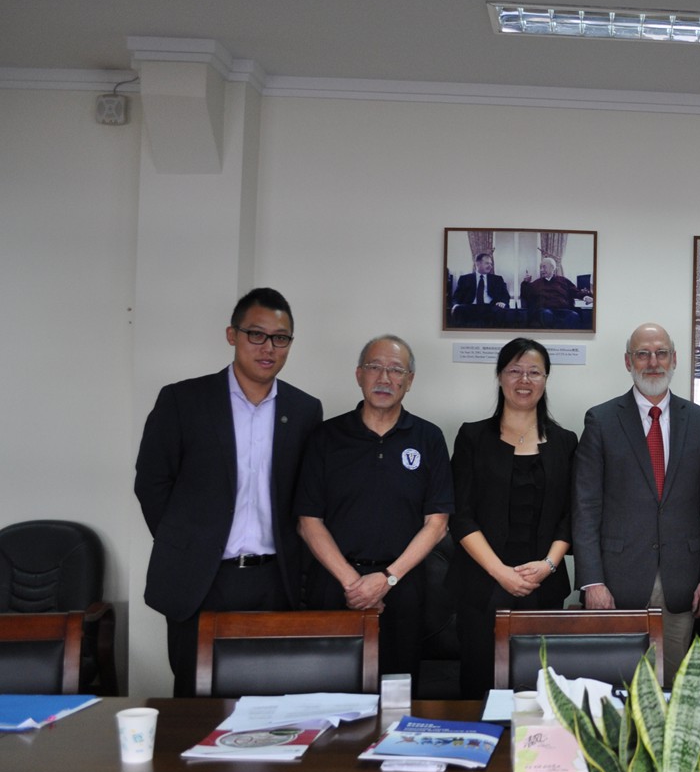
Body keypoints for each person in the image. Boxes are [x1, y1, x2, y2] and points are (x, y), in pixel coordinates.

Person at [134, 288, 323, 696]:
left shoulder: (304, 410)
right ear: (231, 335)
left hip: (276, 580)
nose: (268, 347)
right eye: (256, 334)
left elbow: (306, 495)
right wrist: (185, 543)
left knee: (273, 699)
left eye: (280, 338)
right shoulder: (183, 400)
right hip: (201, 579)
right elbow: (151, 482)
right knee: (196, 701)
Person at [295, 335, 452, 690]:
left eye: (396, 370)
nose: (384, 378)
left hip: (402, 586)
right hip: (335, 585)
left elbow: (437, 524)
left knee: (398, 694)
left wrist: (386, 580)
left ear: (409, 381)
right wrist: (354, 584)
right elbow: (308, 522)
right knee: (329, 695)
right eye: (374, 367)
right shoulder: (325, 436)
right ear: (358, 375)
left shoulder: (428, 438)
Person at [573, 323, 700, 676]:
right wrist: (592, 581)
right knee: (616, 684)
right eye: (643, 354)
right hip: (615, 583)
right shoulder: (601, 420)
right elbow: (585, 507)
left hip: (682, 583)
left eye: (661, 353)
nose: (653, 362)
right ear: (628, 361)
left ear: (674, 359)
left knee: (670, 684)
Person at [448, 338, 577, 698]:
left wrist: (548, 565)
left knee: (539, 693)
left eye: (534, 372)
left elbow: (572, 514)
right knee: (479, 690)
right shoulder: (472, 437)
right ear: (500, 376)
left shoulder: (566, 442)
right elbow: (460, 515)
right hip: (481, 585)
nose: (524, 380)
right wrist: (500, 572)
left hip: (543, 586)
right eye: (514, 371)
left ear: (546, 379)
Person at [449, 252, 510, 328]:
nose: (490, 266)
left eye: (491, 264)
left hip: (490, 308)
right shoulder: (465, 279)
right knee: (458, 309)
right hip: (469, 307)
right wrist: (455, 305)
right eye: (487, 263)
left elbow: (505, 295)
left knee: (500, 310)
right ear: (477, 264)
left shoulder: (497, 279)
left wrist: (503, 302)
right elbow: (456, 297)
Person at [520, 256, 580, 328]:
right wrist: (525, 283)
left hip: (562, 310)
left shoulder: (563, 280)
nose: (541, 270)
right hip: (545, 310)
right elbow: (526, 294)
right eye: (540, 268)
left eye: (544, 267)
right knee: (546, 314)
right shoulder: (536, 283)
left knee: (574, 315)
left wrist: (585, 296)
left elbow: (575, 292)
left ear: (552, 267)